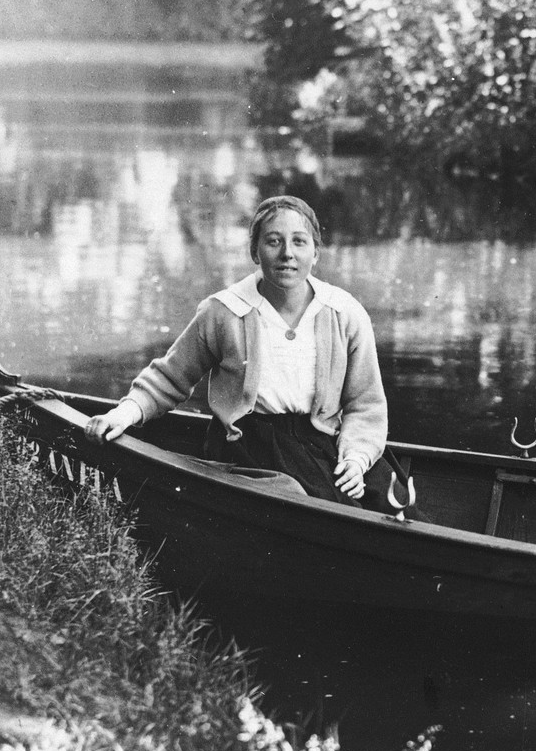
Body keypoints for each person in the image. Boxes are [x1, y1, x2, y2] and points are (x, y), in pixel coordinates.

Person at [84, 195, 410, 513]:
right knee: (320, 507)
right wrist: (122, 415)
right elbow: (169, 378)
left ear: (316, 253)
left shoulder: (345, 314)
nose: (287, 254)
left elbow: (365, 406)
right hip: (250, 443)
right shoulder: (223, 312)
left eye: (299, 242)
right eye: (273, 241)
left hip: (322, 440)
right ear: (255, 251)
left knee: (397, 505)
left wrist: (355, 458)